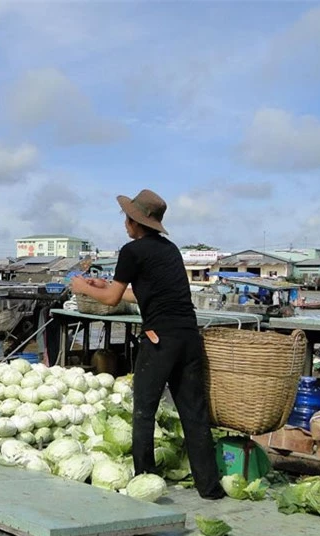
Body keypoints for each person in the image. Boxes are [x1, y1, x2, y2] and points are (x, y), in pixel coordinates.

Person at [70, 189, 225, 500]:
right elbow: (141, 295)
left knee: (144, 410)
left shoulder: (132, 251)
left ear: (134, 223)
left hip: (160, 340)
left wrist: (81, 287)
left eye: (127, 219)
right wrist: (103, 285)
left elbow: (112, 299)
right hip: (188, 338)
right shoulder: (170, 251)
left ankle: (145, 479)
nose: (125, 225)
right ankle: (209, 488)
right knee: (194, 414)